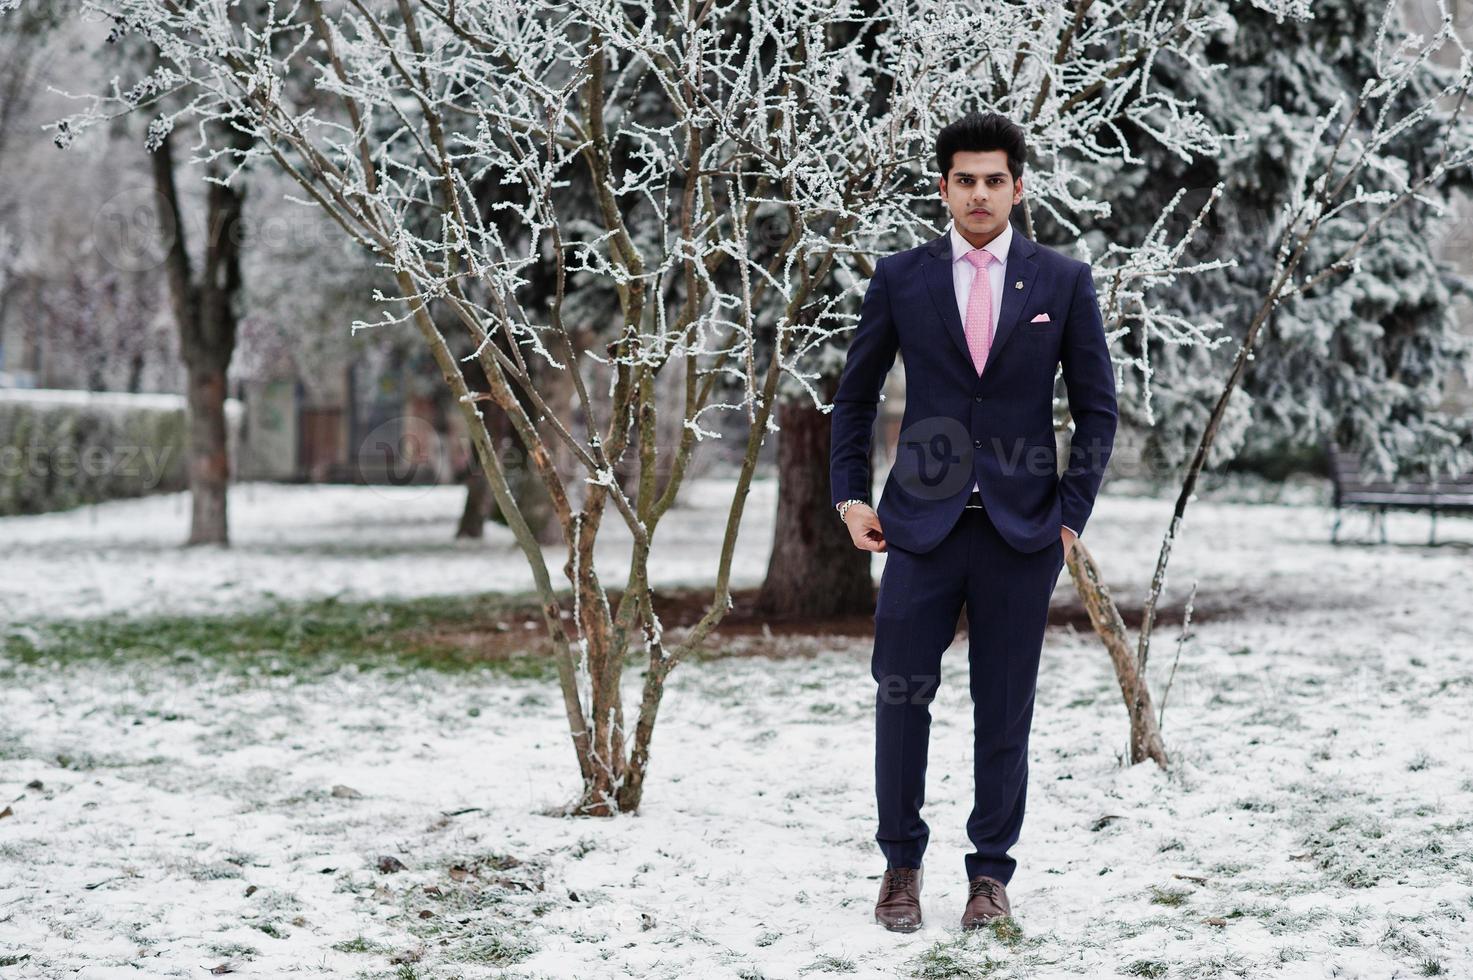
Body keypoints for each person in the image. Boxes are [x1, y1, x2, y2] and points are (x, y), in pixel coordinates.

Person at [828, 111, 1117, 932]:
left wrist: (1068, 517)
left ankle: (990, 875)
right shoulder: (901, 276)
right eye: (965, 179)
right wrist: (850, 499)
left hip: (1021, 535)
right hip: (918, 528)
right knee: (901, 697)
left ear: (1017, 187)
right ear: (944, 187)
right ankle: (899, 867)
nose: (980, 193)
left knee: (1003, 708)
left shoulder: (1061, 281)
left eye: (995, 179)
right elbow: (852, 398)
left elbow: (1097, 412)